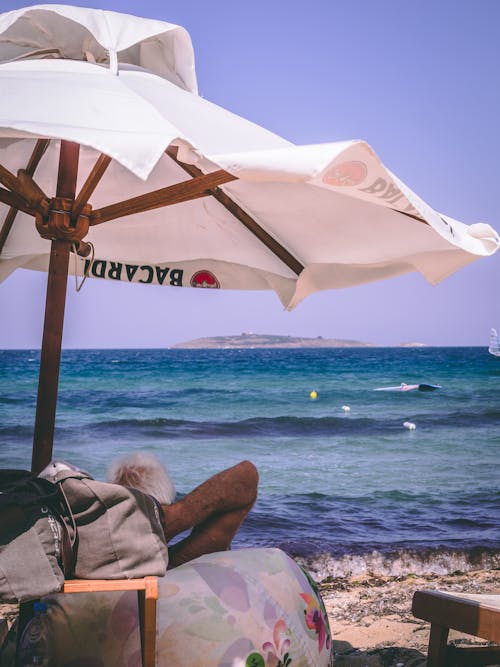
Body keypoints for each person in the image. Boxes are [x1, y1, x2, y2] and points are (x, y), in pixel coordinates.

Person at [107, 452, 258, 569]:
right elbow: (247, 474)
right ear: (167, 498)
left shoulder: (100, 547)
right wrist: (177, 515)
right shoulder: (181, 560)